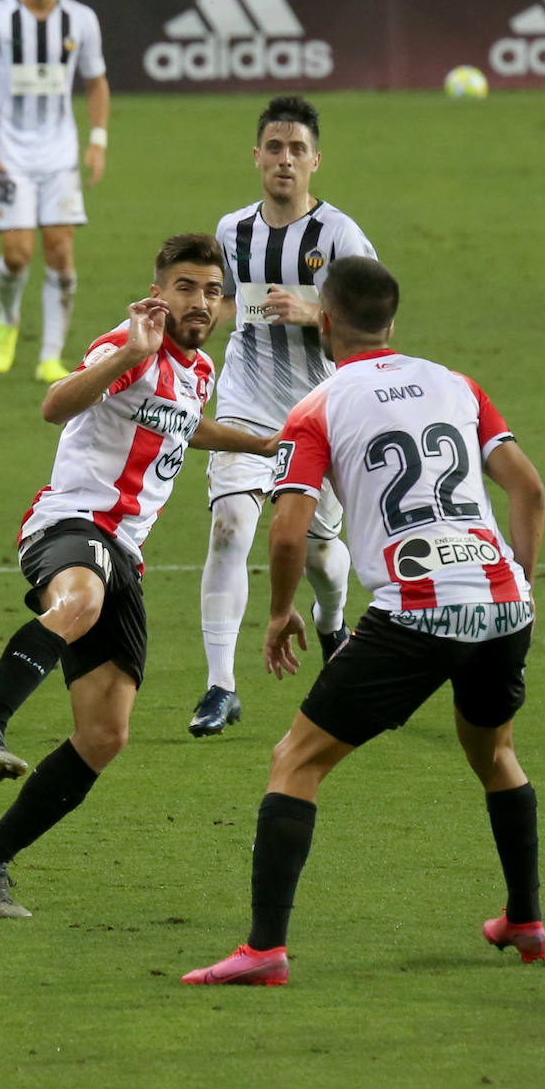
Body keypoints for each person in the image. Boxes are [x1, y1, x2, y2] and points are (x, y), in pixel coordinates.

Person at [182, 256, 545, 984]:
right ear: (393, 321)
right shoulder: (457, 384)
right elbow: (529, 490)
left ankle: (263, 948)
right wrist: (512, 582)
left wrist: (283, 610)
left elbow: (289, 532)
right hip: (502, 600)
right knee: (494, 752)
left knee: (296, 759)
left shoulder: (317, 405)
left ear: (324, 321)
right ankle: (526, 920)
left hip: (416, 610)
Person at [0, 235, 278, 917]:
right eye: (186, 286)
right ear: (159, 290)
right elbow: (57, 404)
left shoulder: (198, 370)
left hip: (126, 553)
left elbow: (187, 427)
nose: (200, 301)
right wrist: (131, 351)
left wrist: (262, 443)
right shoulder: (129, 345)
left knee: (105, 734)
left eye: (212, 291)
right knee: (80, 600)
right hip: (70, 525)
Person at [189, 94, 377, 738]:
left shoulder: (340, 236)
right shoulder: (231, 230)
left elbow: (375, 322)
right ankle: (220, 685)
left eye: (298, 149)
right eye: (275, 148)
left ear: (316, 160)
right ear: (257, 157)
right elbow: (220, 307)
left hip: (320, 409)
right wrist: (181, 331)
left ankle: (332, 629)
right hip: (244, 400)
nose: (285, 160)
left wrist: (315, 314)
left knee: (323, 555)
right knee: (230, 528)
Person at [0, 0, 110, 385]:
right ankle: (7, 320)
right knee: (17, 253)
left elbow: (97, 82)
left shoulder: (81, 19)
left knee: (61, 251)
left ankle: (51, 355)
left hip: (60, 155)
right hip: (10, 155)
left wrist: (97, 140)